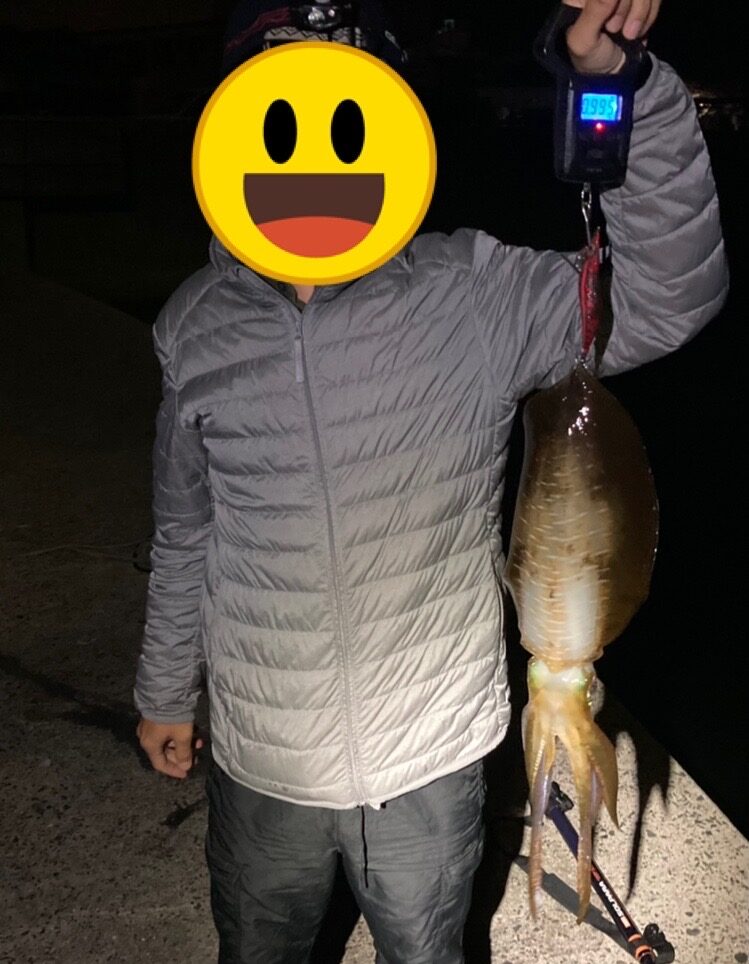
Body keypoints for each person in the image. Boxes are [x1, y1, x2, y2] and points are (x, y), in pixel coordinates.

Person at [135, 1, 728, 961]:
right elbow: (185, 531)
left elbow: (668, 295)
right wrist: (165, 688)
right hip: (262, 761)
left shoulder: (473, 293)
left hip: (430, 754)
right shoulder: (193, 325)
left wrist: (620, 85)